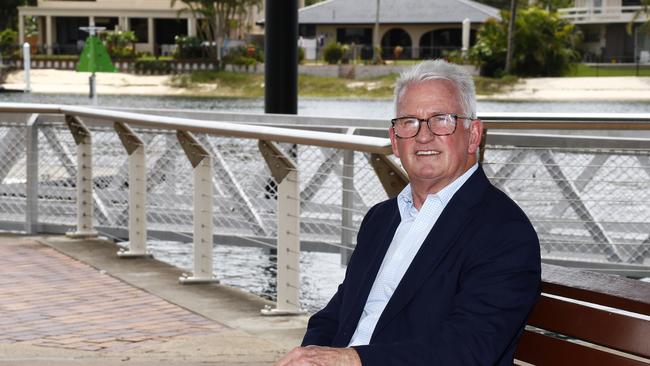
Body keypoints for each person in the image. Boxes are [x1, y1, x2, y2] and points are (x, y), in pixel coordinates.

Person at [274, 60, 541, 366]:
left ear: (473, 135)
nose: (423, 136)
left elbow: (467, 351)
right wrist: (311, 357)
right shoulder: (380, 220)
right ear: (394, 140)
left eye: (441, 120)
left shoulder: (504, 233)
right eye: (409, 122)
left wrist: (352, 360)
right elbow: (334, 317)